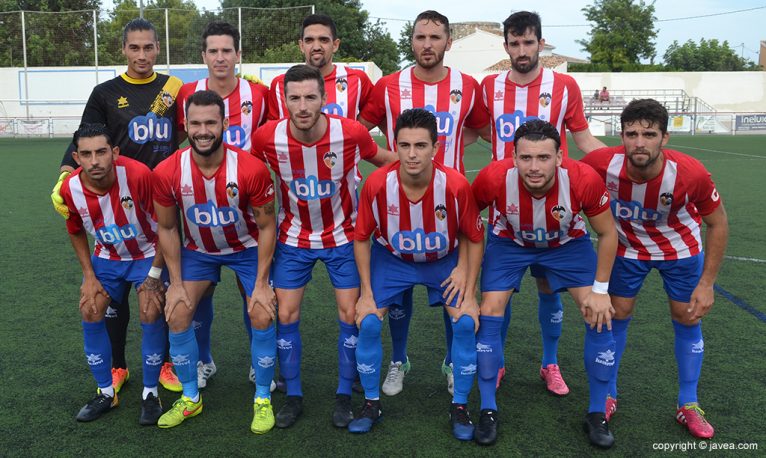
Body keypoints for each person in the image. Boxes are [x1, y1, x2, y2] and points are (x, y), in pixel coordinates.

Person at [251, 64, 394, 431]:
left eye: (310, 97)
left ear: (324, 99)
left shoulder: (350, 133)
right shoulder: (268, 137)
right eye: (294, 98)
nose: (302, 106)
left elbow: (382, 160)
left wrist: (429, 165)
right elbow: (245, 170)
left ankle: (344, 395)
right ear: (284, 101)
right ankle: (294, 395)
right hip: (293, 238)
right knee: (286, 316)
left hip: (343, 237)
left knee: (350, 317)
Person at [358, 10, 489, 397]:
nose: (427, 44)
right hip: (399, 200)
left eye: (435, 37)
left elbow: (481, 131)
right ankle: (399, 360)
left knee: (456, 288)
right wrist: (391, 160)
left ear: (449, 42)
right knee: (396, 293)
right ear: (411, 42)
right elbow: (359, 133)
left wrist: (444, 159)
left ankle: (452, 362)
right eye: (420, 37)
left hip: (449, 206)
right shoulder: (387, 85)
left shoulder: (468, 85)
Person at [581, 99, 728, 440]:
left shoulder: (690, 173)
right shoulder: (602, 163)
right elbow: (574, 187)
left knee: (687, 316)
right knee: (615, 315)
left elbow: (718, 224)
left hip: (679, 249)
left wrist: (707, 283)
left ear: (665, 138)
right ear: (622, 136)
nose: (639, 142)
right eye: (631, 134)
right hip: (626, 249)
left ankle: (688, 404)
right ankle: (606, 397)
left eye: (649, 134)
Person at [50, 18, 184, 394]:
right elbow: (82, 140)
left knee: (160, 289)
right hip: (118, 195)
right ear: (123, 49)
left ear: (158, 49)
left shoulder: (174, 89)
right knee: (115, 299)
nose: (142, 55)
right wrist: (64, 176)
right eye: (134, 48)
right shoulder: (106, 92)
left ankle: (168, 363)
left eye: (149, 47)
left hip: (163, 200)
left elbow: (201, 122)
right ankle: (119, 366)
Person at [478, 11, 607, 396]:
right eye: (514, 43)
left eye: (528, 42)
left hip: (557, 212)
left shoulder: (564, 85)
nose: (521, 50)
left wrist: (619, 165)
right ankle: (497, 363)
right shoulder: (488, 87)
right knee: (499, 293)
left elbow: (583, 140)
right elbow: (473, 132)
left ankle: (549, 363)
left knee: (550, 290)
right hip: (507, 212)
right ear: (506, 46)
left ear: (540, 43)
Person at [471, 119, 618, 447]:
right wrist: (467, 280)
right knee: (489, 312)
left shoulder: (582, 179)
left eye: (543, 158)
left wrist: (600, 290)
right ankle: (487, 409)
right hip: (510, 243)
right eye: (526, 158)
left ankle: (596, 413)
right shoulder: (493, 178)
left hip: (567, 245)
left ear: (560, 158)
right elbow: (467, 222)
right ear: (513, 157)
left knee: (599, 317)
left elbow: (608, 233)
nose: (534, 167)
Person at [350, 108, 484, 441]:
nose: (412, 154)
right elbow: (362, 238)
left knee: (466, 322)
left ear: (435, 148)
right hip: (393, 260)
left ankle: (460, 406)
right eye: (405, 145)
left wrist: (468, 283)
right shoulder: (378, 183)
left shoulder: (454, 185)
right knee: (367, 321)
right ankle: (371, 404)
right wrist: (366, 292)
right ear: (394, 145)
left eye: (421, 146)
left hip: (442, 261)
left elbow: (474, 236)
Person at [151, 90, 277, 431]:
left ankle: (263, 397)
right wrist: (175, 284)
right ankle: (191, 397)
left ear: (224, 123)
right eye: (195, 123)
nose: (203, 130)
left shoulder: (250, 168)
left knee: (262, 312)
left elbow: (267, 227)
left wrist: (263, 284)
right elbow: (167, 227)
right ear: (185, 125)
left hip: (247, 248)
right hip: (198, 251)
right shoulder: (167, 171)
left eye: (210, 122)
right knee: (176, 312)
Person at [175, 20, 270, 390]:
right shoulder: (185, 93)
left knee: (254, 293)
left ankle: (256, 364)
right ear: (203, 55)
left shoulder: (259, 95)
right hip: (199, 214)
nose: (220, 57)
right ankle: (204, 360)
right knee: (200, 295)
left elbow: (273, 139)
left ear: (238, 55)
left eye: (226, 50)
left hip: (248, 212)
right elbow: (174, 143)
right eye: (212, 51)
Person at [59, 123, 167, 425]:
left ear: (114, 153)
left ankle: (150, 392)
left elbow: (167, 228)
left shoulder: (139, 175)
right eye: (86, 154)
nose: (95, 161)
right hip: (106, 257)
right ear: (77, 158)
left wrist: (156, 274)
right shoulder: (70, 188)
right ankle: (106, 392)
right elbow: (75, 231)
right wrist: (88, 275)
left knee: (150, 308)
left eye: (101, 152)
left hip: (147, 253)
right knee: (90, 308)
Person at [268, 14, 373, 120]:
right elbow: (271, 128)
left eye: (323, 40)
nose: (316, 47)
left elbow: (376, 113)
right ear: (301, 46)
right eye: (309, 40)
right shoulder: (279, 84)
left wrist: (352, 133)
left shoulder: (357, 79)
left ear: (335, 45)